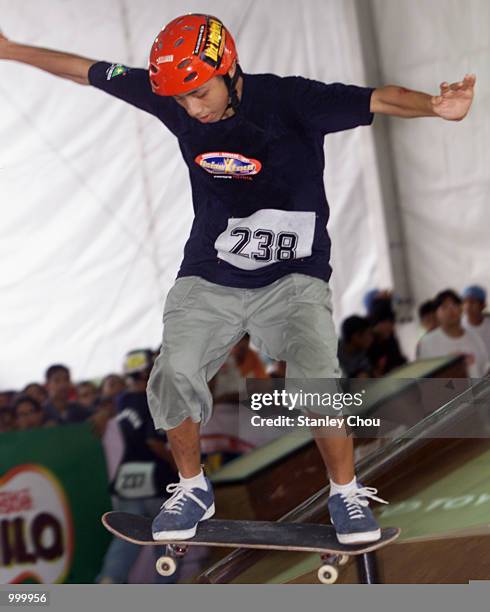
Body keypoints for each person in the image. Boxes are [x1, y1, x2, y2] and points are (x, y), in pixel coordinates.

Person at [0, 14, 476, 545]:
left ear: (229, 70)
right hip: (210, 276)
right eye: (181, 102)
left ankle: (346, 493)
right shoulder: (174, 97)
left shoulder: (291, 101)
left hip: (294, 277)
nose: (193, 110)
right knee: (174, 370)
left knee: (316, 376)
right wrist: (12, 49)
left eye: (200, 94)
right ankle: (192, 487)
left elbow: (379, 99)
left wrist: (434, 107)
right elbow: (86, 71)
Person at [97, 349, 178, 583]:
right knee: (167, 540)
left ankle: (109, 580)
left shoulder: (123, 401)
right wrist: (179, 468)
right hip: (156, 480)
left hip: (128, 479)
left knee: (125, 539)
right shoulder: (151, 401)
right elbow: (154, 441)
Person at [417, 289, 489, 377]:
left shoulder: (475, 336)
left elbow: (485, 368)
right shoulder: (427, 343)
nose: (450, 310)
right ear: (436, 313)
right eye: (444, 307)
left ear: (461, 309)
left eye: (455, 305)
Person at [462, 285, 490, 355]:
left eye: (472, 302)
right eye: (464, 302)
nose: (467, 306)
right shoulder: (458, 327)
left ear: (483, 305)